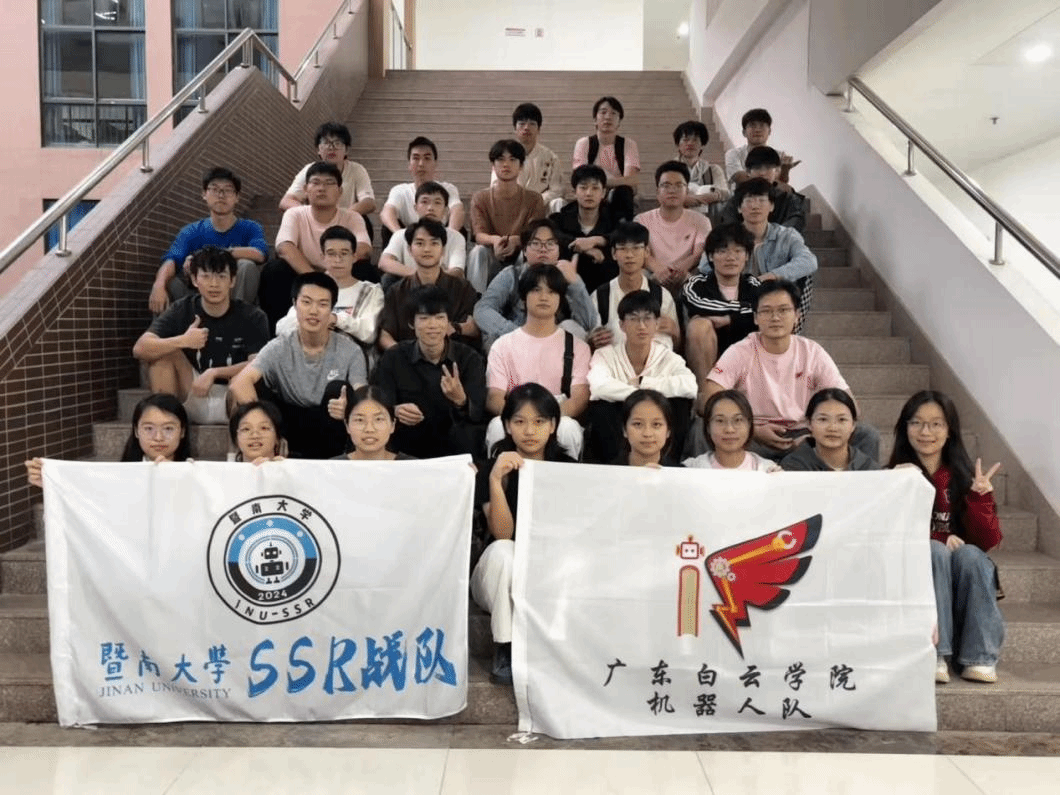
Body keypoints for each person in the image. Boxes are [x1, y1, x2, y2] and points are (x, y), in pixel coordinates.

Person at [888, 390, 1004, 685]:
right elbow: (887, 534)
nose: (925, 432)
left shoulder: (964, 476)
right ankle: (934, 654)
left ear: (949, 430)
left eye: (936, 424)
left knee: (972, 555)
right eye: (916, 423)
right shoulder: (893, 474)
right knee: (935, 551)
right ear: (905, 428)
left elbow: (987, 541)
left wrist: (981, 499)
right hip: (916, 572)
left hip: (961, 573)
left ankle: (980, 657)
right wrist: (938, 538)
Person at [704, 280, 879, 462]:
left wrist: (814, 433)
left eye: (783, 310)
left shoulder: (812, 352)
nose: (775, 318)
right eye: (767, 311)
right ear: (755, 318)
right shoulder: (740, 351)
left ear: (797, 316)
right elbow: (710, 399)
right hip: (753, 434)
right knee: (704, 430)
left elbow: (850, 406)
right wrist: (752, 429)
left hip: (804, 433)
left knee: (867, 435)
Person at [471, 383, 577, 684]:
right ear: (507, 425)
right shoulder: (492, 468)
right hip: (497, 579)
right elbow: (503, 534)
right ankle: (505, 647)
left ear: (553, 425)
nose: (530, 431)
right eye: (519, 421)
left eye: (539, 421)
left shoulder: (568, 469)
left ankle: (557, 644)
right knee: (504, 552)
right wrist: (496, 481)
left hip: (546, 575)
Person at [229, 272, 368, 459]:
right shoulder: (279, 346)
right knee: (255, 385)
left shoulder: (350, 350)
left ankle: (332, 460)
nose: (313, 311)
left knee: (338, 389)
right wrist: (269, 428)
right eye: (307, 302)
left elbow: (363, 395)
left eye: (322, 304)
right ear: (295, 304)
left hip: (330, 426)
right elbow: (239, 384)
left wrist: (350, 409)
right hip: (287, 426)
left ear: (332, 310)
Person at [134, 246, 269, 424]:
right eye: (206, 276)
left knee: (244, 379)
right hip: (193, 390)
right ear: (194, 279)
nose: (214, 284)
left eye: (221, 276)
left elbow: (259, 363)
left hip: (233, 394)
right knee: (162, 355)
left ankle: (241, 438)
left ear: (232, 280)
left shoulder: (252, 315)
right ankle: (167, 425)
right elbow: (140, 349)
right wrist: (183, 341)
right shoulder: (182, 308)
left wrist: (215, 372)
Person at [485, 264, 591, 459]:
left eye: (552, 292)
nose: (544, 297)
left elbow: (579, 399)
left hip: (557, 414)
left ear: (560, 299)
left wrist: (544, 419)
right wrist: (522, 418)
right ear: (523, 297)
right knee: (498, 427)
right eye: (536, 290)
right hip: (516, 412)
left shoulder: (577, 347)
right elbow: (494, 398)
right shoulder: (503, 345)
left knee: (568, 429)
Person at [372, 285, 487, 459]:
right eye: (424, 318)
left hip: (453, 442)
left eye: (440, 318)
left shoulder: (469, 358)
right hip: (407, 440)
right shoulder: (393, 357)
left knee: (468, 432)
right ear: (412, 323)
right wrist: (394, 410)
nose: (433, 325)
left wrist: (461, 401)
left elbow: (478, 413)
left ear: (448, 322)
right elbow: (378, 401)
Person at [260, 161, 373, 332]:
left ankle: (354, 331)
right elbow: (284, 247)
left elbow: (364, 248)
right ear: (305, 189)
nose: (321, 188)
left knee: (366, 270)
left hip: (340, 275)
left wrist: (334, 271)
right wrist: (315, 278)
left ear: (340, 191)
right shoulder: (294, 214)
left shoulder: (352, 217)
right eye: (316, 182)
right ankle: (279, 334)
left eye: (329, 183)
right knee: (275, 270)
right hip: (302, 274)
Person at [586, 290, 695, 463]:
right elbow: (598, 387)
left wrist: (643, 383)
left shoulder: (668, 357)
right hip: (620, 427)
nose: (642, 326)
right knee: (602, 405)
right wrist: (639, 394)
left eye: (647, 319)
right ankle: (615, 465)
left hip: (655, 423)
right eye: (634, 319)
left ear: (657, 324)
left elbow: (690, 386)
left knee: (679, 402)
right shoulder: (605, 355)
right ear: (622, 325)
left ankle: (669, 462)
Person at [700, 177, 816, 326]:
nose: (755, 206)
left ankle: (790, 325)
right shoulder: (725, 235)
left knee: (805, 275)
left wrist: (772, 276)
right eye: (749, 201)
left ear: (772, 206)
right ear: (739, 208)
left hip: (773, 298)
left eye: (761, 200)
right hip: (735, 298)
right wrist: (739, 280)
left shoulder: (786, 235)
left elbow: (809, 261)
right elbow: (704, 265)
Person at [148, 167, 267, 312]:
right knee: (167, 281)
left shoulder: (250, 228)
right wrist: (158, 284)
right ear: (204, 194)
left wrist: (207, 256)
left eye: (228, 190)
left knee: (246, 266)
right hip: (198, 298)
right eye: (215, 189)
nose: (221, 195)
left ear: (237, 197)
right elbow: (171, 259)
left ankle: (235, 321)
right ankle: (163, 327)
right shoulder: (191, 231)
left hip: (233, 297)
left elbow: (260, 253)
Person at [474, 219, 595, 350]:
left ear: (559, 251)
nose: (543, 249)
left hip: (553, 347)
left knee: (571, 327)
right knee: (492, 337)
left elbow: (588, 324)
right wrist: (518, 334)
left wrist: (575, 284)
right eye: (536, 243)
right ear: (525, 250)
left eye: (550, 244)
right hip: (517, 345)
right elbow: (482, 309)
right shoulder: (511, 275)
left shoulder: (567, 276)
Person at [27, 394, 192, 485]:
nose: (158, 437)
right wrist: (50, 483)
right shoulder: (116, 478)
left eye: (168, 429)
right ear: (136, 431)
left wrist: (180, 476)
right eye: (149, 429)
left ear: (182, 431)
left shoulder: (196, 475)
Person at [683, 224, 760, 405]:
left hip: (745, 354)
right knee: (699, 325)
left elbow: (762, 313)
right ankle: (707, 398)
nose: (730, 257)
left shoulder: (754, 285)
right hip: (709, 353)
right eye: (722, 251)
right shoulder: (696, 284)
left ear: (747, 256)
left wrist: (729, 319)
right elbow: (699, 305)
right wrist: (745, 311)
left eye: (738, 251)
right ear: (710, 256)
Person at [378, 218, 479, 351]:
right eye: (419, 243)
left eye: (434, 243)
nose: (427, 249)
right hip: (408, 357)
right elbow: (385, 334)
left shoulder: (463, 288)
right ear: (409, 250)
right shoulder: (396, 291)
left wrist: (456, 328)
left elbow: (474, 329)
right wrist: (402, 356)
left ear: (443, 250)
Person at [275, 226, 383, 348]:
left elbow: (369, 333)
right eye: (331, 254)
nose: (338, 260)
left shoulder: (371, 291)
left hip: (352, 355)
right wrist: (317, 320)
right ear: (323, 257)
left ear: (354, 257)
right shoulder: (309, 289)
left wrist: (336, 319)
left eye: (344, 253)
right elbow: (282, 328)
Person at [467, 139, 546, 292]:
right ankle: (476, 300)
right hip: (492, 255)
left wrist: (515, 241)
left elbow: (535, 234)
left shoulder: (534, 199)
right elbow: (479, 234)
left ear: (521, 166)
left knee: (532, 251)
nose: (506, 164)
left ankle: (525, 300)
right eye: (500, 159)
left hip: (520, 255)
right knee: (478, 252)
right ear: (493, 165)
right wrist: (495, 241)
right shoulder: (480, 198)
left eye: (512, 159)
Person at [588, 221, 680, 351]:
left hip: (654, 362)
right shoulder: (599, 296)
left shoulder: (661, 295)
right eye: (623, 248)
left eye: (636, 248)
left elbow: (674, 345)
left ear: (646, 251)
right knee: (617, 331)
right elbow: (592, 341)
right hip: (613, 360)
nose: (629, 255)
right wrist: (592, 341)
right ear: (614, 253)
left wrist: (675, 331)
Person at [634, 161, 712, 291]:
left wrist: (679, 271)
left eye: (679, 185)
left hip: (686, 274)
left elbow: (699, 253)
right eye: (666, 185)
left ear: (687, 191)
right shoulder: (641, 220)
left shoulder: (701, 221)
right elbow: (639, 250)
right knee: (638, 274)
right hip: (653, 274)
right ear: (657, 192)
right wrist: (659, 270)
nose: (672, 190)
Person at [279, 122, 377, 221]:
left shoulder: (357, 170)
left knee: (364, 220)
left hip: (346, 222)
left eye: (337, 143)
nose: (331, 148)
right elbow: (286, 201)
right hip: (315, 221)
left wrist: (341, 217)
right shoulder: (309, 170)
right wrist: (309, 215)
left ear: (346, 150)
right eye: (326, 143)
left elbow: (368, 202)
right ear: (318, 149)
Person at [378, 182, 467, 284]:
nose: (430, 208)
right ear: (415, 208)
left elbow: (457, 271)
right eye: (424, 202)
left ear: (446, 210)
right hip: (410, 285)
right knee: (388, 278)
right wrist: (420, 276)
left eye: (437, 203)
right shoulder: (400, 234)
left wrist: (430, 278)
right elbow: (384, 262)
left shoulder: (456, 237)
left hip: (441, 286)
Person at [549, 164, 619, 293]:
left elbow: (623, 235)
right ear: (574, 192)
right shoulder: (561, 219)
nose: (589, 193)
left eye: (595, 188)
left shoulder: (614, 219)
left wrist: (597, 240)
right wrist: (584, 248)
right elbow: (553, 234)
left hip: (606, 287)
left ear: (603, 193)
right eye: (583, 187)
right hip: (567, 287)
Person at [379, 136, 465, 241]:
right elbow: (386, 212)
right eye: (416, 158)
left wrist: (449, 236)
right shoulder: (400, 190)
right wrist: (400, 236)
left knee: (460, 231)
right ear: (409, 165)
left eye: (427, 158)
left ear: (435, 164)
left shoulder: (448, 189)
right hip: (409, 240)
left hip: (439, 240)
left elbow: (457, 210)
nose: (421, 164)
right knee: (387, 229)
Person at [572, 96, 640, 221]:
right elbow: (581, 177)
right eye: (603, 112)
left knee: (624, 191)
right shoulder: (584, 143)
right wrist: (604, 185)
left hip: (618, 193)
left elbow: (631, 180)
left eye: (613, 113)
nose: (608, 117)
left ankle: (622, 229)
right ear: (595, 120)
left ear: (619, 122)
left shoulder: (629, 144)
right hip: (592, 191)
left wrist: (605, 183)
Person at [779, 388, 879, 471]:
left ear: (853, 425)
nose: (832, 428)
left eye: (842, 419)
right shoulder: (793, 467)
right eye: (823, 419)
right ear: (809, 423)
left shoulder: (868, 467)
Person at [684, 390, 779, 471]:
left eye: (738, 420)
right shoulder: (690, 469)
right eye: (720, 421)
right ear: (708, 427)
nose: (729, 429)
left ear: (749, 425)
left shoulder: (768, 470)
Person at [718, 146, 807, 231]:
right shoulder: (736, 200)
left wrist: (771, 237)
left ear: (777, 171)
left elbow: (794, 225)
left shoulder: (789, 200)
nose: (762, 173)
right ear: (748, 172)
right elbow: (729, 226)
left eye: (768, 168)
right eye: (757, 168)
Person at [492, 102, 564, 206]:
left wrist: (535, 201)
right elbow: (495, 185)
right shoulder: (504, 156)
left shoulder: (551, 158)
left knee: (558, 202)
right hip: (511, 204)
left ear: (539, 129)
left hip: (540, 205)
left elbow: (557, 190)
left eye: (532, 124)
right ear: (515, 128)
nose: (526, 127)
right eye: (522, 124)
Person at [336, 385, 416, 461]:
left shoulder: (413, 466)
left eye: (378, 419)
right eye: (360, 420)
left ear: (392, 425)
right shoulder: (332, 467)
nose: (369, 429)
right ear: (347, 425)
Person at [724, 108, 798, 188]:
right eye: (752, 125)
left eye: (762, 125)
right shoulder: (733, 154)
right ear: (744, 132)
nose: (757, 130)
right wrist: (772, 178)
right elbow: (740, 178)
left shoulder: (779, 155)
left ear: (769, 131)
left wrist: (785, 170)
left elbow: (781, 184)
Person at [672, 121, 729, 221]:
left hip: (708, 218)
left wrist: (715, 195)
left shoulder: (713, 170)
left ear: (702, 144)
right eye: (685, 140)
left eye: (695, 140)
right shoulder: (669, 169)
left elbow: (726, 193)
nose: (690, 143)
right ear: (678, 145)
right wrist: (685, 199)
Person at [616, 389, 678, 467]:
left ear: (668, 430)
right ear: (624, 430)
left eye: (656, 424)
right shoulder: (607, 471)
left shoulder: (681, 472)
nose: (647, 434)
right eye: (638, 424)